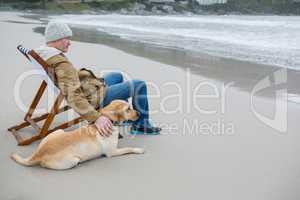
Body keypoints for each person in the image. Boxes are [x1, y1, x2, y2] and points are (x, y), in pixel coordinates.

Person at [35, 21, 161, 136]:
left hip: (89, 88)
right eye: (66, 38)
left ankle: (119, 116)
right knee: (139, 85)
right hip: (93, 98)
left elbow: (68, 82)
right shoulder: (61, 63)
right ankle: (141, 125)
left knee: (117, 75)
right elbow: (73, 95)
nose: (69, 42)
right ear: (55, 39)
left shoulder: (46, 55)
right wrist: (96, 118)